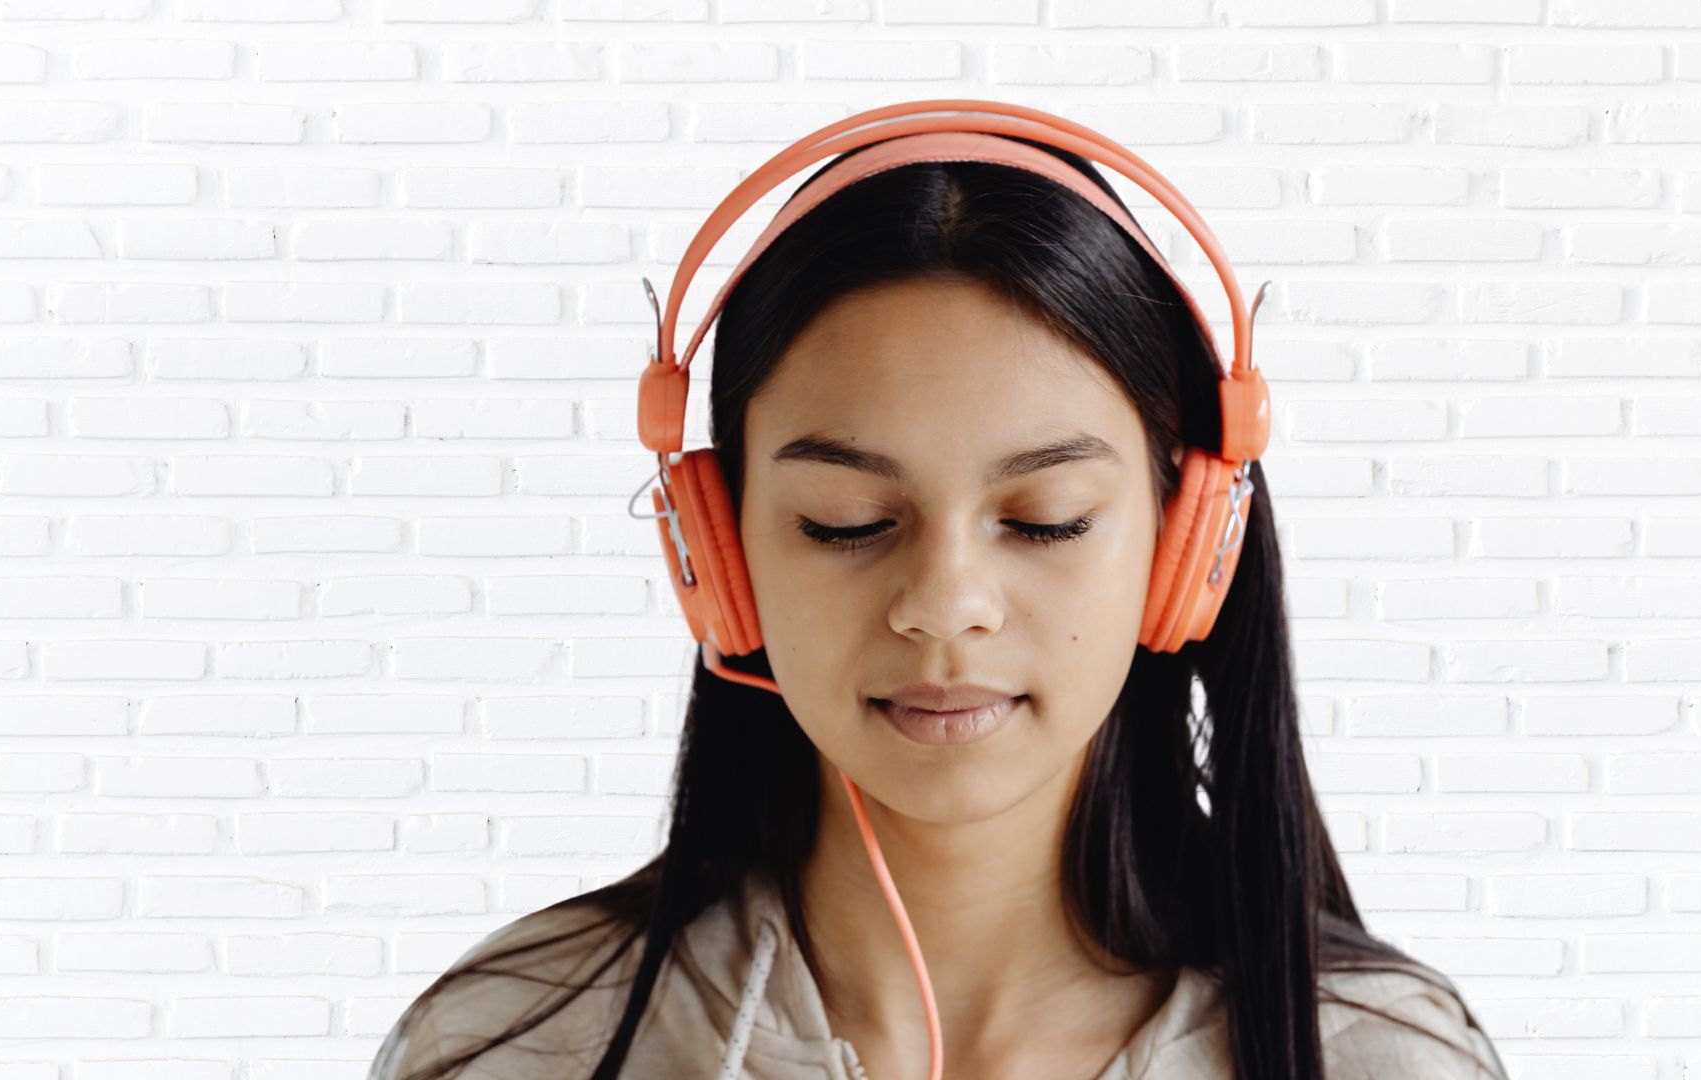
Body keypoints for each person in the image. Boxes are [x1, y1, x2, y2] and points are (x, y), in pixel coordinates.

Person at [368, 125, 1512, 1080]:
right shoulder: (516, 1044)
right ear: (716, 558)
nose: (945, 608)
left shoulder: (1377, 1057)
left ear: (1188, 544)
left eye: (1047, 519)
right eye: (847, 522)